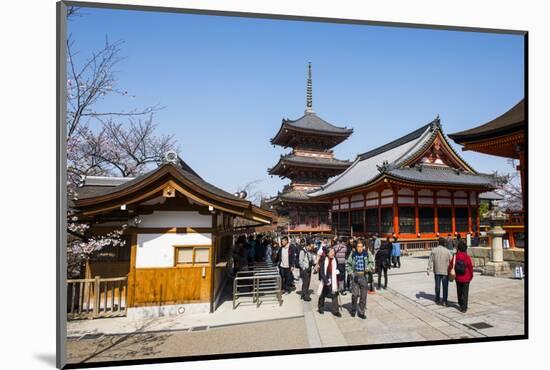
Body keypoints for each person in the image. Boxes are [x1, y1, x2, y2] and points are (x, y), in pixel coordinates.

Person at [346, 240, 375, 319]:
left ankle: (361, 311)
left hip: (364, 276)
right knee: (355, 295)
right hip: (355, 276)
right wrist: (351, 273)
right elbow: (348, 264)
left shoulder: (367, 253)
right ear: (356, 247)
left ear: (363, 247)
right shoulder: (353, 254)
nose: (359, 248)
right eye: (358, 247)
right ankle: (353, 309)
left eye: (361, 247)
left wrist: (368, 268)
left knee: (363, 295)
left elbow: (372, 262)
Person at [427, 237, 452, 306]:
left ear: (438, 243)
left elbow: (430, 260)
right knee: (445, 286)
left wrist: (428, 269)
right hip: (445, 271)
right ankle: (444, 300)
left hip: (437, 270)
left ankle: (437, 299)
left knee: (437, 285)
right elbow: (451, 260)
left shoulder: (434, 250)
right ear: (444, 243)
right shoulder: (447, 251)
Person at [317, 247, 341, 317]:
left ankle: (336, 310)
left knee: (334, 294)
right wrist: (326, 281)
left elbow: (337, 268)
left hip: (333, 279)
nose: (332, 253)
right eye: (331, 252)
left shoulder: (335, 259)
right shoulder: (324, 260)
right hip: (325, 279)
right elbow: (321, 272)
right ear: (327, 253)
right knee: (322, 294)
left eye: (333, 252)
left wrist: (337, 272)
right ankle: (320, 308)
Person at [452, 240, 474, 312]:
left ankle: (460, 303)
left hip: (458, 277)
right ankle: (464, 308)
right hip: (466, 277)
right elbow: (470, 267)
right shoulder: (467, 257)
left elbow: (451, 265)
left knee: (459, 291)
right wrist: (471, 275)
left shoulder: (455, 257)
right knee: (465, 292)